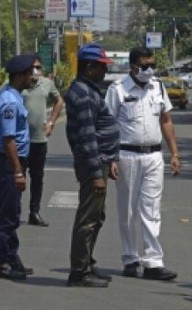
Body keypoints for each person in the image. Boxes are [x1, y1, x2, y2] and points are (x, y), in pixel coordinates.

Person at [105, 46, 181, 280]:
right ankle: (130, 257)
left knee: (151, 209)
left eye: (153, 65)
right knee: (127, 209)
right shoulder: (117, 89)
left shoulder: (157, 87)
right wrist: (110, 158)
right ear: (133, 66)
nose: (149, 70)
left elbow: (165, 120)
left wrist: (174, 153)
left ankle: (153, 262)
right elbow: (107, 125)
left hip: (154, 157)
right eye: (145, 66)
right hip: (127, 155)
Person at [64, 43, 120, 288]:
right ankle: (79, 271)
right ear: (88, 68)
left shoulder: (89, 90)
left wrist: (111, 159)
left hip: (100, 160)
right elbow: (87, 137)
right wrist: (97, 172)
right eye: (100, 67)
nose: (104, 72)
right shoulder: (84, 95)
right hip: (93, 164)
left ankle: (87, 261)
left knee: (97, 216)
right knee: (88, 218)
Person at [0, 54, 37, 281]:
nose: (32, 78)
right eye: (29, 74)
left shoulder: (10, 95)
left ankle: (12, 258)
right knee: (6, 215)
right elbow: (9, 139)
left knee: (11, 213)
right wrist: (17, 171)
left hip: (7, 162)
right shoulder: (10, 102)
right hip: (7, 163)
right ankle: (2, 263)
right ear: (19, 76)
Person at [22, 56, 64, 227]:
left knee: (37, 178)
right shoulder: (19, 85)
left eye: (38, 68)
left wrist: (51, 122)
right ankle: (13, 211)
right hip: (20, 141)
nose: (35, 71)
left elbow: (59, 101)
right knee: (18, 176)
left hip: (39, 140)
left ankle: (34, 212)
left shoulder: (46, 84)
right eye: (32, 68)